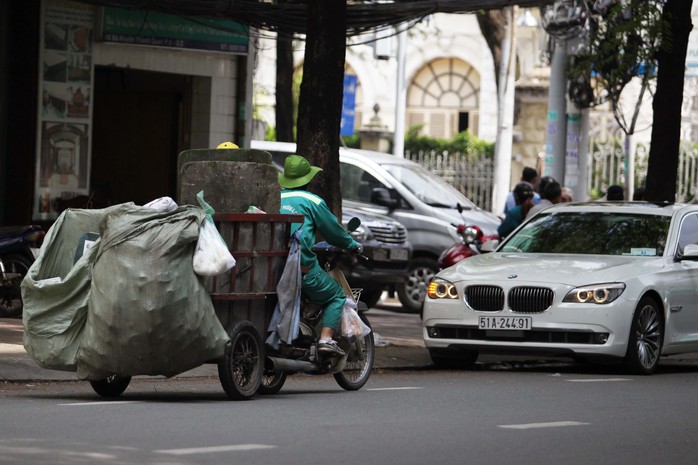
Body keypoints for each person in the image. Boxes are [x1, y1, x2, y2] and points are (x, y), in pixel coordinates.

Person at [278, 154, 362, 356]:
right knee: (336, 294)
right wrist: (352, 244)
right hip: (301, 268)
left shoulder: (275, 196)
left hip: (273, 267)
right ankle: (325, 339)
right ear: (307, 179)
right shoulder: (312, 200)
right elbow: (334, 233)